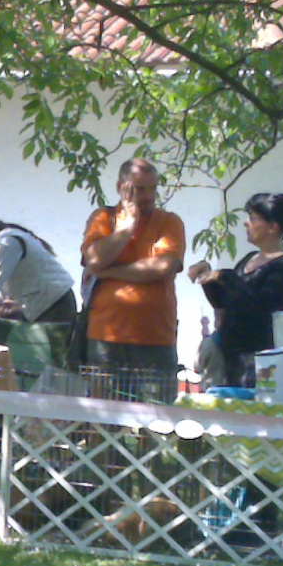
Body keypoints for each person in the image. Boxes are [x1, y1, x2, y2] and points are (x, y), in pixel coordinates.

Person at [79, 157, 186, 396]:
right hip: (106, 336)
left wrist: (109, 272)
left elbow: (163, 267)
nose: (147, 196)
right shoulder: (103, 219)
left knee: (156, 423)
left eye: (152, 188)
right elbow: (95, 259)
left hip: (156, 339)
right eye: (139, 189)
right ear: (121, 188)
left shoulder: (169, 222)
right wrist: (126, 229)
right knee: (103, 419)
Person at [185, 193, 283, 387]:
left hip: (256, 364)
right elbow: (226, 301)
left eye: (253, 218)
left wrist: (224, 276)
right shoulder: (249, 258)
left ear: (272, 227)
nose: (246, 223)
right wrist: (208, 278)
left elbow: (259, 305)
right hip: (225, 355)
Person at [0, 208, 76, 365]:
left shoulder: (6, 243)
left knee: (51, 364)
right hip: (51, 303)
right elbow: (0, 291)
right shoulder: (7, 239)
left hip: (55, 304)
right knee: (44, 363)